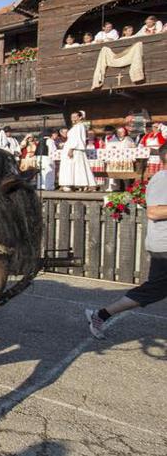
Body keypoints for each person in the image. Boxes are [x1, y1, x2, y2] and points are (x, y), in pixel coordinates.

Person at [87, 144, 167, 339]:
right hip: (164, 246)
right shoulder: (162, 180)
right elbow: (153, 212)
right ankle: (101, 315)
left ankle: (101, 315)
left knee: (153, 291)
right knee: (152, 291)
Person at [58, 110, 96, 192]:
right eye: (72, 117)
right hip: (71, 148)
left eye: (75, 117)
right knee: (71, 167)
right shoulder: (75, 127)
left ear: (80, 117)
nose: (73, 118)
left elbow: (77, 139)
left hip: (75, 149)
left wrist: (71, 149)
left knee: (79, 167)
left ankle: (84, 184)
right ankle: (70, 184)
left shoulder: (79, 126)